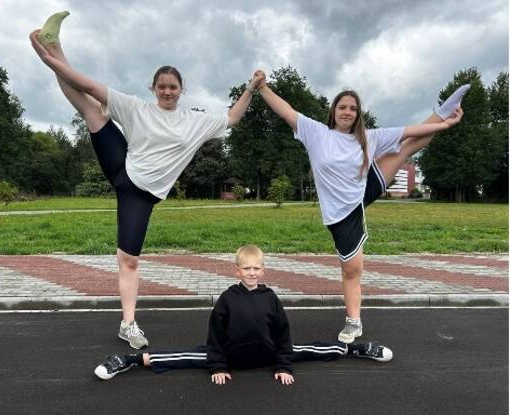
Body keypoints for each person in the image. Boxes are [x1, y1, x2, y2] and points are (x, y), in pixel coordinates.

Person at [29, 12, 265, 349]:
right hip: (122, 167)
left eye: (173, 87)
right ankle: (54, 47)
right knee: (91, 107)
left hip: (140, 196)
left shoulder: (194, 122)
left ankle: (52, 50)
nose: (167, 91)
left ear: (181, 90)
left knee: (130, 259)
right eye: (162, 86)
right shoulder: (137, 108)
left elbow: (232, 118)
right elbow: (86, 84)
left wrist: (250, 88)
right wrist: (49, 59)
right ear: (153, 89)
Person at [253, 70, 468, 344]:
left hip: (361, 194)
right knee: (349, 269)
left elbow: (413, 131)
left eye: (353, 108)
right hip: (338, 212)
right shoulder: (316, 133)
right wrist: (262, 88)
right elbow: (287, 111)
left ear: (357, 114)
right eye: (343, 107)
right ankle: (352, 318)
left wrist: (445, 124)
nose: (348, 111)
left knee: (405, 148)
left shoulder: (369, 137)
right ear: (334, 110)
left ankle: (353, 323)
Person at [94, 245, 393, 384]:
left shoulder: (271, 298)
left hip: (267, 353)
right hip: (231, 357)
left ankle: (356, 348)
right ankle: (129, 360)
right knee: (184, 357)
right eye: (246, 269)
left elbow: (284, 335)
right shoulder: (226, 299)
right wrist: (218, 366)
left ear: (263, 270)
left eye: (256, 268)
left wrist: (284, 366)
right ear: (237, 270)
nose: (252, 273)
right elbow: (214, 337)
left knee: (311, 349)